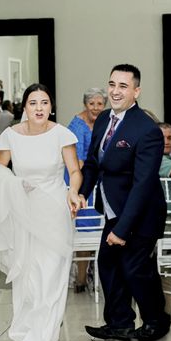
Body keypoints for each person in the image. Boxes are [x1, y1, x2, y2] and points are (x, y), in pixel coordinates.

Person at [0, 83, 83, 341]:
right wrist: (15, 183)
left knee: (51, 276)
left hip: (54, 211)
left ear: (51, 106)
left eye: (44, 102)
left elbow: (74, 171)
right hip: (23, 211)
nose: (39, 108)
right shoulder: (11, 135)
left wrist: (73, 191)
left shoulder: (62, 134)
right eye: (33, 102)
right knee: (29, 279)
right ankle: (35, 333)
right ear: (24, 107)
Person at [80, 64, 170, 341]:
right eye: (112, 85)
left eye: (123, 86)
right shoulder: (105, 118)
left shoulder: (146, 129)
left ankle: (156, 321)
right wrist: (81, 192)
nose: (115, 91)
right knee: (108, 264)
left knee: (134, 268)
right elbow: (94, 162)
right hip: (113, 207)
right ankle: (119, 323)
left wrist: (122, 230)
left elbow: (143, 185)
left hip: (141, 212)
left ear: (136, 91)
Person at [66, 87, 107, 293]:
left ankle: (91, 275)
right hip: (81, 180)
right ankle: (80, 279)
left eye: (100, 104)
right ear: (85, 104)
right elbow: (77, 161)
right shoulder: (77, 126)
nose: (96, 108)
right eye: (92, 104)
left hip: (96, 179)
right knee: (84, 230)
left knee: (97, 229)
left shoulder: (104, 122)